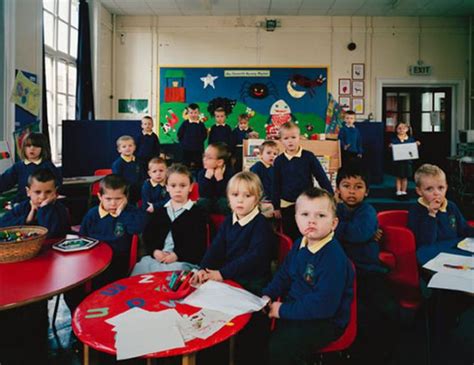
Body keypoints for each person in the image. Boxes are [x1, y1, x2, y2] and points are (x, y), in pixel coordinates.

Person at [262, 187, 354, 365]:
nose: (311, 221)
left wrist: (282, 310)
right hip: (297, 308)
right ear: (296, 218)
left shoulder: (333, 258)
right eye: (304, 214)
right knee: (256, 327)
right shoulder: (299, 244)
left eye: (320, 216)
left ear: (333, 223)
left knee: (282, 348)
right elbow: (284, 275)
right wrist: (268, 295)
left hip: (325, 320)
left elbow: (323, 306)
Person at [192, 171, 274, 365]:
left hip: (251, 282)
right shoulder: (230, 219)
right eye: (235, 195)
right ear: (228, 198)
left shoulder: (261, 225)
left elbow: (253, 258)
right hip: (230, 277)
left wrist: (221, 273)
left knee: (223, 316)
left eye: (247, 196)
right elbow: (216, 247)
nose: (240, 201)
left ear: (258, 199)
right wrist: (203, 268)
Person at [335, 166, 399, 364]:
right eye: (346, 186)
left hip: (368, 271)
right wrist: (355, 231)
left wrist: (337, 226)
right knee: (349, 311)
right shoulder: (334, 210)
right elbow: (340, 233)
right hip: (341, 272)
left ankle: (379, 354)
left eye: (358, 186)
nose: (352, 191)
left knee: (380, 310)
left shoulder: (367, 211)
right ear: (337, 190)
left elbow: (356, 234)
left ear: (367, 191)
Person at [132, 163, 207, 275]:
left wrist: (177, 255)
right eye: (173, 185)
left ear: (190, 187)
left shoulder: (197, 214)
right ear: (167, 187)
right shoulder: (160, 212)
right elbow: (149, 236)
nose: (178, 190)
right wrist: (155, 251)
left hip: (182, 261)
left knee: (171, 276)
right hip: (157, 258)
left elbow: (198, 244)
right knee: (140, 269)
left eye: (182, 185)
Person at [80, 174, 147, 287]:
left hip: (118, 261)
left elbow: (137, 228)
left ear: (126, 197)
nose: (113, 203)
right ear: (100, 196)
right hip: (94, 260)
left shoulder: (131, 212)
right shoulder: (92, 214)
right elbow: (83, 237)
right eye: (108, 199)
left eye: (118, 199)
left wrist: (121, 213)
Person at [273, 121, 333, 240]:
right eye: (286, 138)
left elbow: (321, 176)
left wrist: (330, 195)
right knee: (290, 234)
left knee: (307, 233)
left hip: (307, 204)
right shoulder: (279, 161)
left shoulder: (308, 156)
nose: (290, 141)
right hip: (287, 204)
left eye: (293, 137)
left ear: (299, 137)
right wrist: (276, 206)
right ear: (281, 140)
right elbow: (275, 184)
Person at [408, 164, 474, 265]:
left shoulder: (451, 206)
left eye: (441, 188)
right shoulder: (416, 210)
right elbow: (426, 242)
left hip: (454, 252)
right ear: (419, 191)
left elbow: (464, 229)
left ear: (446, 188)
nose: (436, 193)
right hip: (431, 256)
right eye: (429, 189)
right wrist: (431, 215)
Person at [0, 168, 70, 238]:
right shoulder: (23, 206)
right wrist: (27, 220)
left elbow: (49, 234)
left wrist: (45, 207)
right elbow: (2, 225)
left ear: (55, 192)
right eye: (37, 192)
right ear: (28, 192)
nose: (42, 197)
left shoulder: (60, 209)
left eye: (48, 192)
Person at [0, 132, 62, 203]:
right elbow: (5, 181)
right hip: (22, 202)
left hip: (42, 202)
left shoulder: (47, 166)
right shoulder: (18, 166)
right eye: (28, 146)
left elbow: (57, 185)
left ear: (43, 148)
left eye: (36, 146)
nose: (32, 148)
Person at [197, 142, 233, 215]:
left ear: (220, 162)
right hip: (208, 201)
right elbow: (203, 194)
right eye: (204, 156)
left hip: (222, 202)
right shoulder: (202, 173)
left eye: (209, 158)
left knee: (224, 202)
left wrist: (220, 180)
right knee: (202, 202)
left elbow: (227, 194)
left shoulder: (230, 173)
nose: (204, 159)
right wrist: (207, 178)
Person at [389, 121, 420, 199]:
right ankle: (398, 191)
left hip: (407, 161)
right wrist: (391, 146)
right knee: (398, 176)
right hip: (398, 162)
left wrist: (416, 144)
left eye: (403, 128)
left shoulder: (410, 139)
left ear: (407, 129)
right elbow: (391, 148)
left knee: (405, 177)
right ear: (396, 130)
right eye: (399, 128)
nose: (401, 130)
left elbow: (413, 149)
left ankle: (404, 191)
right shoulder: (394, 140)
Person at [250, 140, 279, 218]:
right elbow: (253, 184)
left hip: (271, 200)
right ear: (261, 155)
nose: (272, 156)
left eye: (275, 154)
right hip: (261, 201)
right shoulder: (257, 167)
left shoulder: (273, 168)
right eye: (269, 153)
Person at [111, 135, 143, 204]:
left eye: (130, 146)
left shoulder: (138, 161)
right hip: (125, 192)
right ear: (119, 150)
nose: (127, 148)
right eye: (124, 146)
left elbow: (142, 176)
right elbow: (117, 182)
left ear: (134, 147)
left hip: (139, 191)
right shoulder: (117, 164)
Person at [177, 103, 208, 170]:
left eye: (195, 112)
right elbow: (179, 134)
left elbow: (204, 135)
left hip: (198, 149)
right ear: (188, 113)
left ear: (199, 113)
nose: (193, 115)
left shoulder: (201, 124)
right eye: (191, 113)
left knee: (199, 166)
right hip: (186, 149)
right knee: (185, 166)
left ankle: (198, 179)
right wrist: (183, 143)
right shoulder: (185, 123)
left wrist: (199, 142)